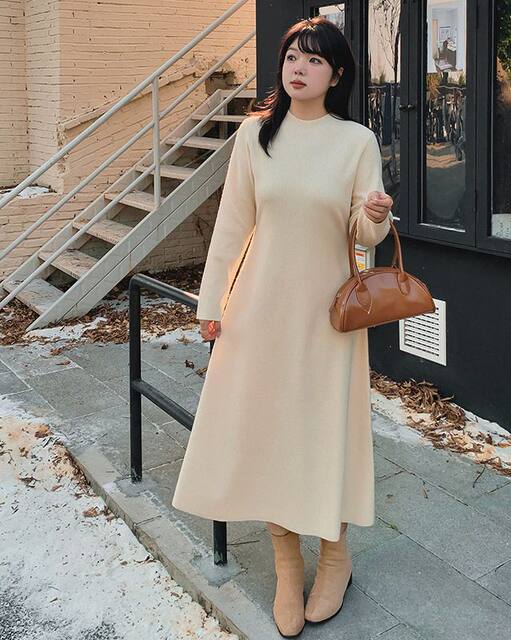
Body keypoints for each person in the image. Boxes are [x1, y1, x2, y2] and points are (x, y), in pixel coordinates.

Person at [171, 16, 394, 638]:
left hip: (327, 320)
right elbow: (232, 224)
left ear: (337, 74)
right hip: (260, 311)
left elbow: (365, 235)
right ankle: (286, 563)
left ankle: (336, 557)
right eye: (293, 56)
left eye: (315, 59)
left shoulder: (356, 142)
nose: (300, 67)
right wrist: (211, 303)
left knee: (324, 433)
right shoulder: (254, 136)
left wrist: (376, 215)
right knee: (268, 432)